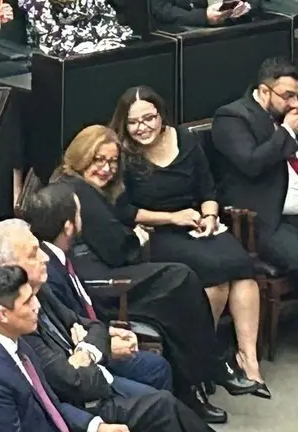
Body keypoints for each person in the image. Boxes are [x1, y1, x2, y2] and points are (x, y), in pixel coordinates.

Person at [51, 126, 254, 401]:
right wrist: (136, 237)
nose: (107, 169)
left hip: (104, 273)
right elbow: (119, 249)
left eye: (112, 162)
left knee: (181, 285)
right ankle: (208, 369)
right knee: (181, 279)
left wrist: (132, 236)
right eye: (99, 159)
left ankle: (195, 382)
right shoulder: (76, 188)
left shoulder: (80, 186)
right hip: (100, 284)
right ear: (81, 155)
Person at [0, 218, 222, 432]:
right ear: (7, 269)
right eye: (33, 254)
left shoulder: (38, 289)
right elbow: (68, 383)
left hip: (91, 383)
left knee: (163, 394)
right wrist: (90, 358)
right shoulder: (15, 326)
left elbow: (91, 325)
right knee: (163, 407)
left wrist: (85, 351)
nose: (44, 258)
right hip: (85, 399)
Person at [25, 183, 227, 424]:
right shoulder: (47, 272)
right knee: (157, 372)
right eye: (80, 214)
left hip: (94, 336)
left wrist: (106, 333)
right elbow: (69, 337)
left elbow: (79, 323)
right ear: (69, 226)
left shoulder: (59, 257)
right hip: (85, 369)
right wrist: (106, 346)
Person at [113, 86, 265, 392]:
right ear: (124, 124)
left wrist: (209, 217)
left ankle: (248, 359)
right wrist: (173, 217)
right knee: (215, 277)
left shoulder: (183, 138)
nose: (143, 127)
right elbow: (124, 210)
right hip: (159, 231)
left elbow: (208, 190)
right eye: (134, 122)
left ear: (161, 115)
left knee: (241, 268)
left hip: (196, 223)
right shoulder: (123, 154)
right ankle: (202, 358)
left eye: (149, 118)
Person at [0, 265, 132, 432]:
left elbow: (50, 405)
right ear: (3, 315)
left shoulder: (13, 338)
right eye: (27, 301)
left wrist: (97, 427)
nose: (37, 306)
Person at [211, 57, 298, 274]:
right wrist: (287, 132)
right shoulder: (231, 117)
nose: (295, 103)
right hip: (269, 219)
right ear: (265, 91)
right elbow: (252, 163)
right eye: (288, 96)